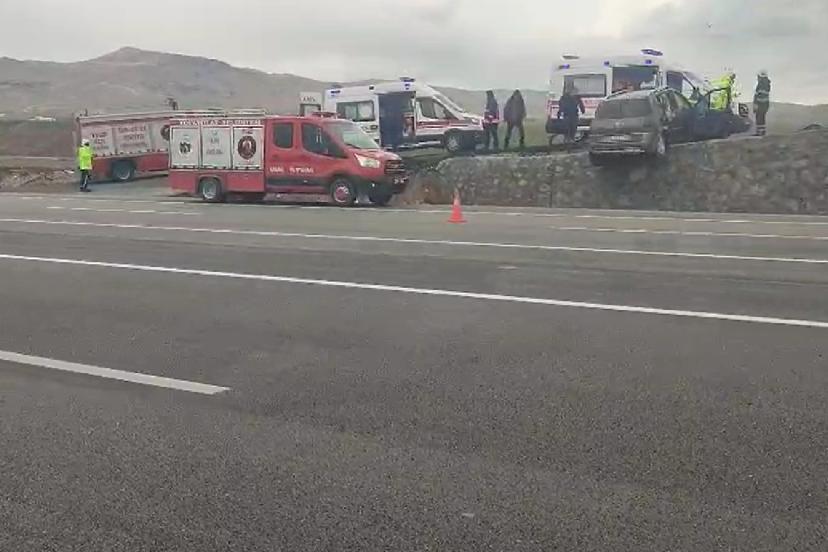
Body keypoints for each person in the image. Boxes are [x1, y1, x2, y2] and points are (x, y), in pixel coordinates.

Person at [754, 70, 771, 136]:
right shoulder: (767, 84)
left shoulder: (761, 85)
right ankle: (762, 131)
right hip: (765, 104)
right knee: (762, 118)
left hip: (761, 104)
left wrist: (756, 104)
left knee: (759, 118)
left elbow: (758, 95)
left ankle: (759, 132)